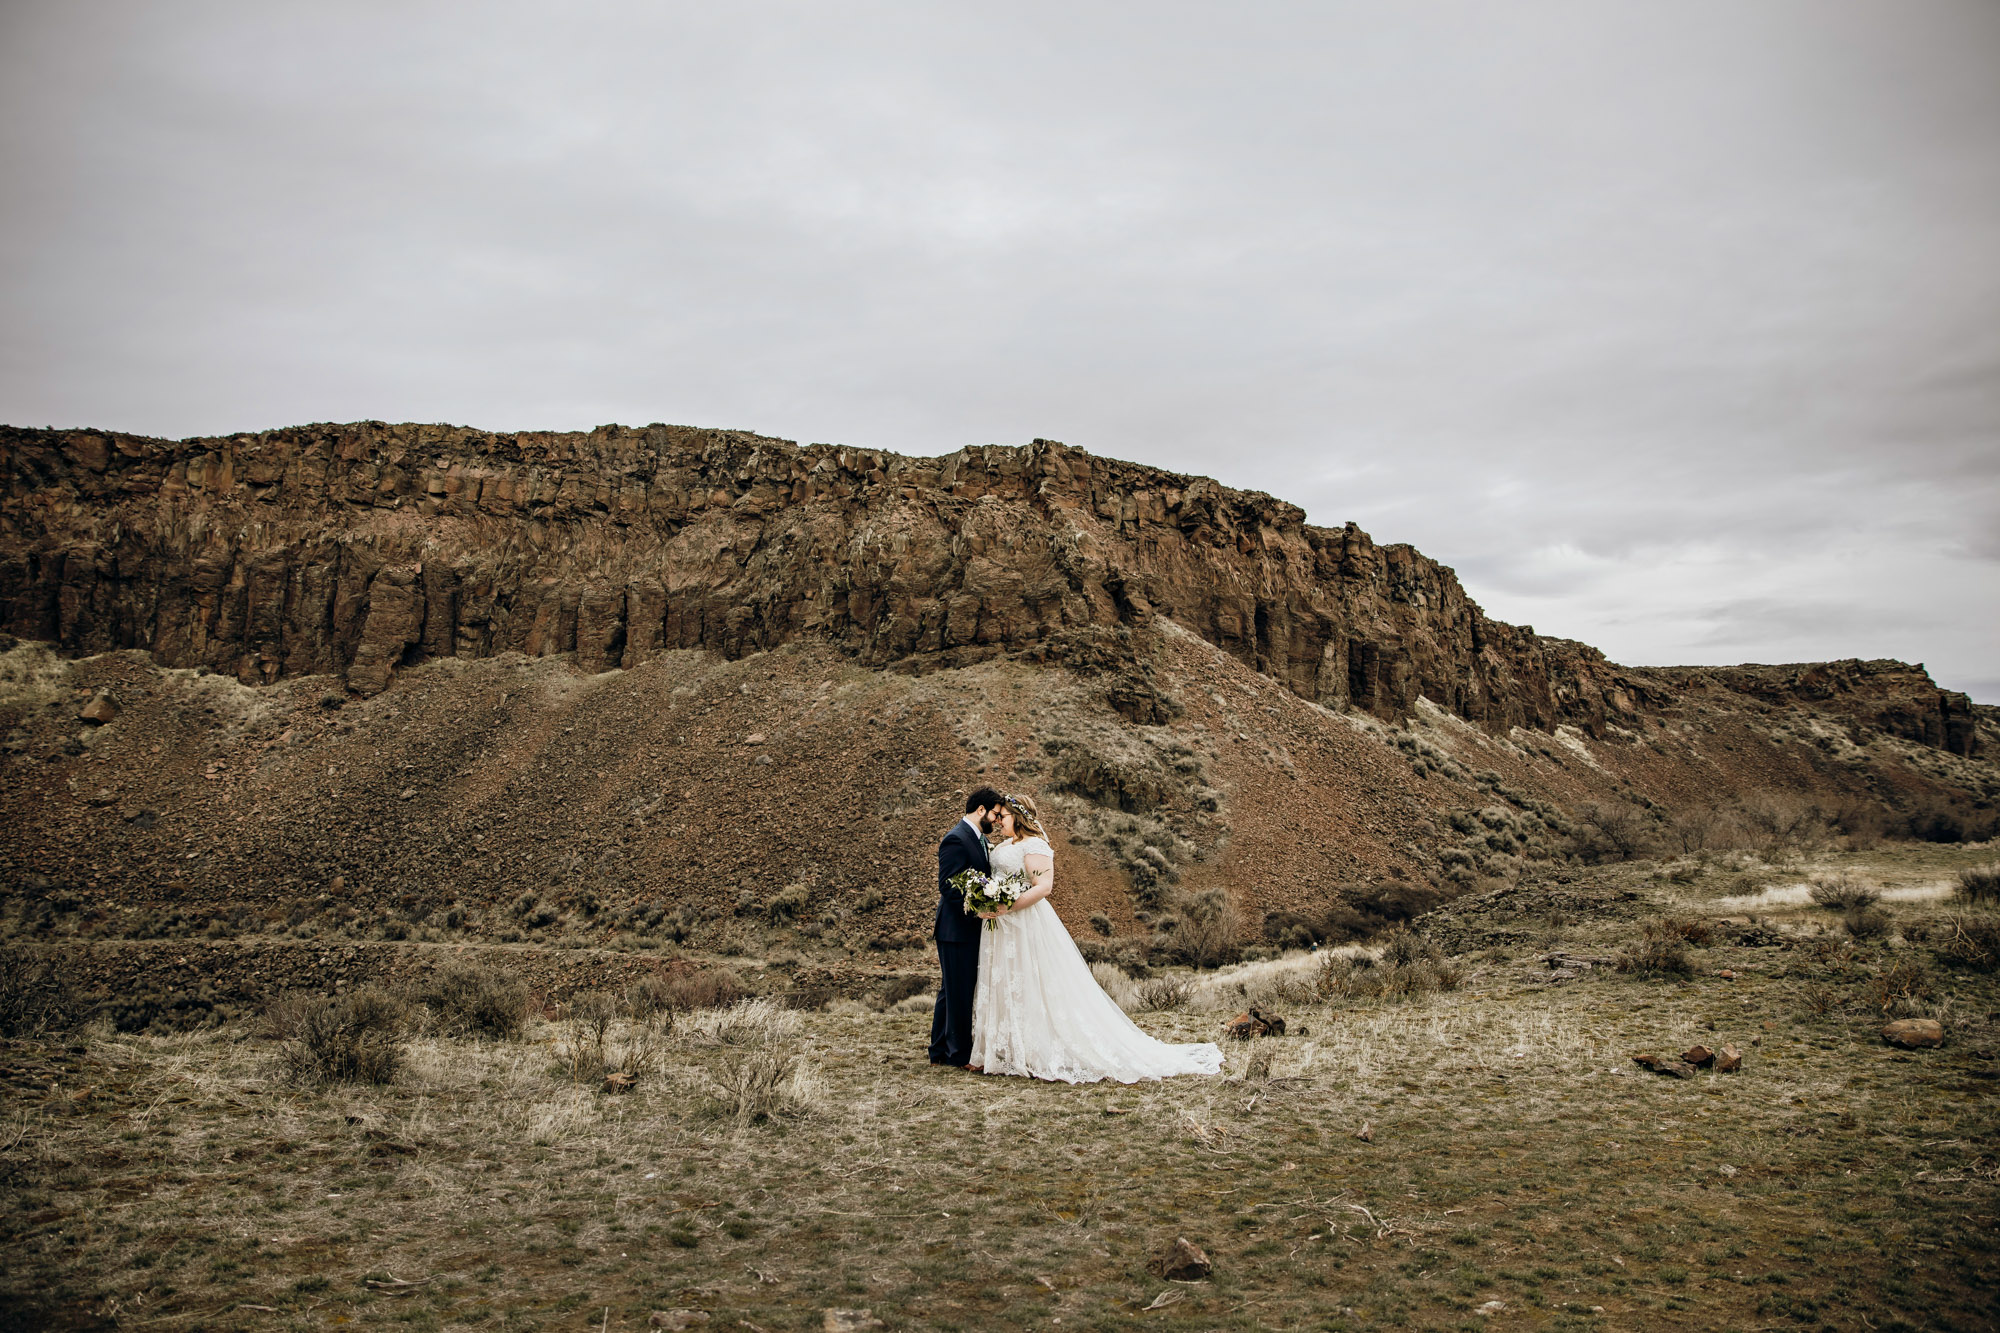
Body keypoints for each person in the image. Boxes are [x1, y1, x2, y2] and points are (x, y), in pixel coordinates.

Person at [969, 792, 1223, 1083]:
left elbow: (1043, 887)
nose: (998, 820)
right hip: (1001, 927)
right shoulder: (1004, 845)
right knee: (1007, 981)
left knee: (1031, 981)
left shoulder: (1035, 845)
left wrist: (1007, 906)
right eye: (997, 816)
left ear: (1020, 816)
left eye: (1003, 816)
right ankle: (1003, 1049)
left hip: (1025, 922)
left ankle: (1034, 1050)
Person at [930, 786, 1002, 1068]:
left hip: (965, 929)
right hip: (956, 929)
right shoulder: (956, 839)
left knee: (951, 990)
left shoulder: (979, 839)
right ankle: (957, 1055)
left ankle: (938, 1051)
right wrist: (979, 908)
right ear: (980, 810)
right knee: (958, 991)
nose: (996, 820)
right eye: (994, 814)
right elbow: (947, 885)